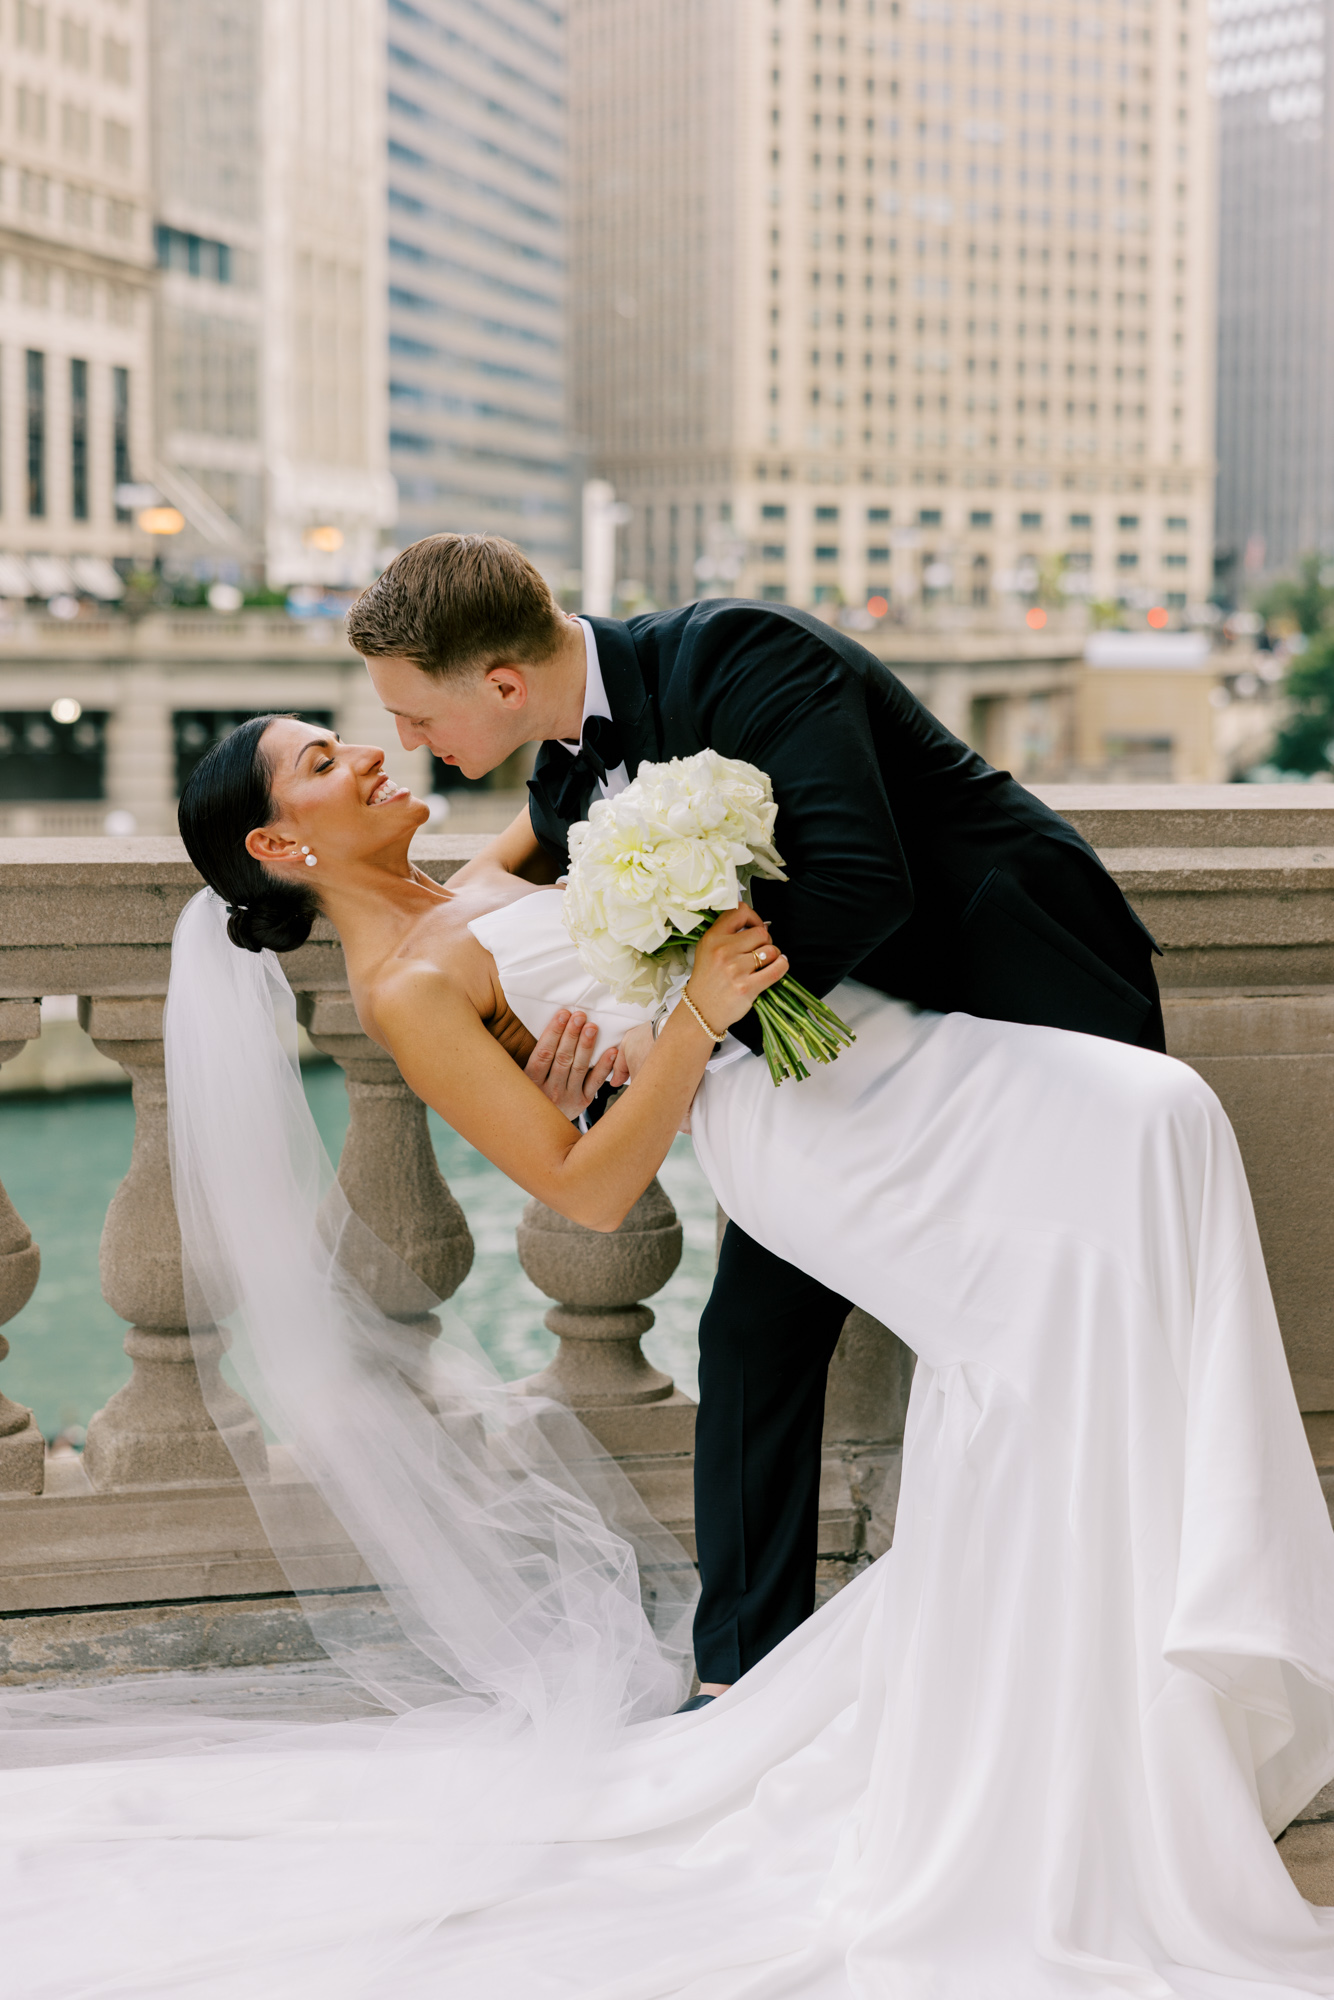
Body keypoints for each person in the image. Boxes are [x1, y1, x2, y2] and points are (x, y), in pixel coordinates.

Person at [3, 707, 1333, 1999]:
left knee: (1145, 1151)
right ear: (280, 851)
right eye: (318, 760)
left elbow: (602, 768)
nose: (366, 749)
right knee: (1096, 1229)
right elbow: (580, 1187)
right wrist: (690, 1017)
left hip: (856, 1067)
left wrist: (679, 882)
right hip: (791, 1134)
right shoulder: (406, 989)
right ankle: (1074, 1743)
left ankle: (1126, 1696)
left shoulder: (472, 880)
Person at [346, 531, 1167, 1699]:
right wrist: (558, 1051)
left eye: (414, 716)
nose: (407, 744)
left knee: (1030, 1337)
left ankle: (1090, 1649)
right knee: (747, 1340)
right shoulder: (563, 779)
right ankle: (741, 1683)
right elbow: (526, 922)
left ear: (502, 683)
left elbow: (857, 881)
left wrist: (678, 1031)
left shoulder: (743, 652)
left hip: (1025, 1005)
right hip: (843, 1062)